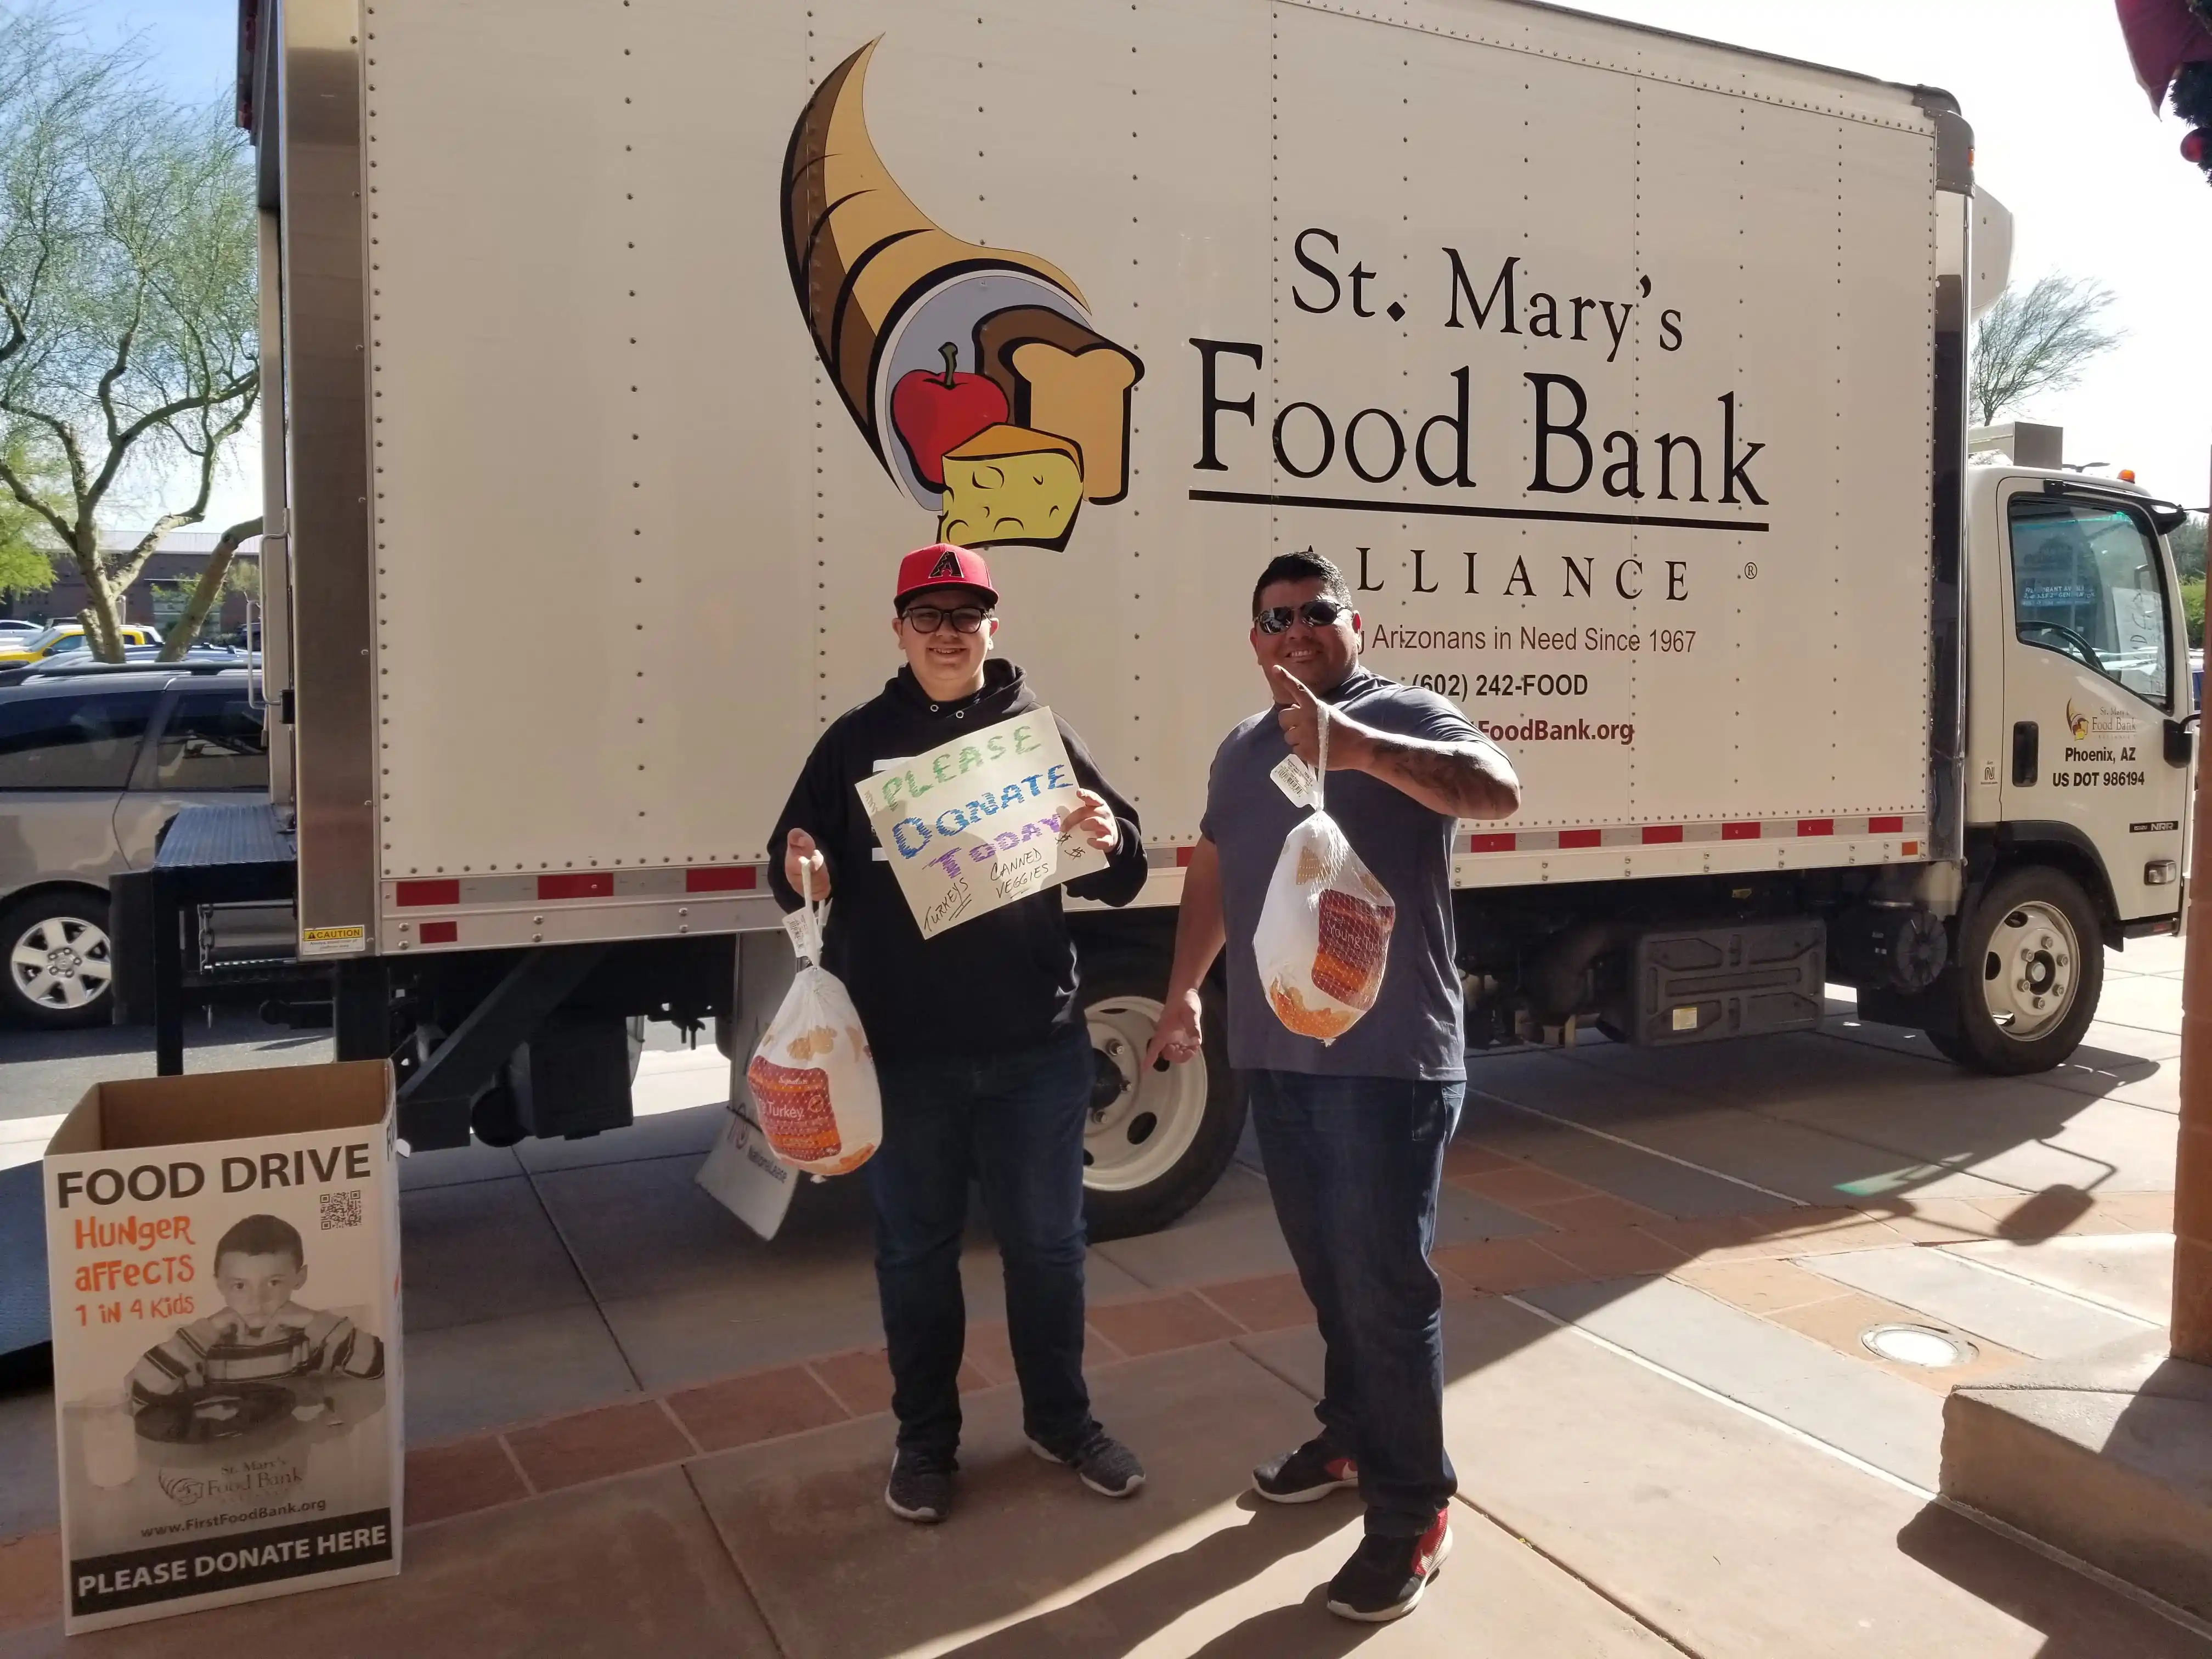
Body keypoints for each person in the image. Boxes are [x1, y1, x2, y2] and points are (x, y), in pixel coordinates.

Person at [1144, 549, 1521, 1623]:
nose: (1295, 630)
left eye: (1316, 612)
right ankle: (1357, 1436)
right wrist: (1184, 993)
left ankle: (1413, 1511)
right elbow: (1214, 868)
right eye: (1275, 618)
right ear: (1253, 640)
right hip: (1280, 1053)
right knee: (1330, 1276)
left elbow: (1497, 792)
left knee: (1386, 1289)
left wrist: (1356, 746)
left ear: (1355, 626)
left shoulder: (1408, 713)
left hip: (1388, 1059)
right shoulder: (1242, 747)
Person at [768, 542, 1150, 1525]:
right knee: (914, 1256)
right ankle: (925, 1439)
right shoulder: (855, 742)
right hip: (905, 1054)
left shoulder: (1036, 729)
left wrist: (1108, 837)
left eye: (964, 614)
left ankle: (1061, 1422)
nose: (947, 632)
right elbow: (793, 868)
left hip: (1035, 1047)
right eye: (927, 615)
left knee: (1048, 1249)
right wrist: (801, 859)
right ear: (897, 628)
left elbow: (1122, 867)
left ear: (994, 624)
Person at [127, 1214, 385, 1410]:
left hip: (289, 1458)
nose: (257, 1300)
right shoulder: (201, 1346)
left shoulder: (310, 1338)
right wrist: (208, 1328)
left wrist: (311, 1319)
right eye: (240, 1286)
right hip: (221, 1463)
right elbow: (142, 1394)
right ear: (220, 1285)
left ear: (299, 1278)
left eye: (273, 1282)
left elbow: (378, 1367)